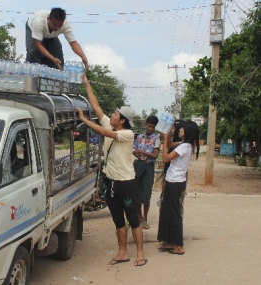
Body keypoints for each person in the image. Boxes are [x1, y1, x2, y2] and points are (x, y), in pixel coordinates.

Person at [76, 74, 147, 267]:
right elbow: (97, 107)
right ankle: (123, 252)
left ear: (122, 120)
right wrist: (87, 84)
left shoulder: (127, 133)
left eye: (115, 114)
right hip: (111, 182)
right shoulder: (111, 124)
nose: (112, 115)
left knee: (133, 218)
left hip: (126, 183)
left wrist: (83, 119)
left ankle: (140, 252)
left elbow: (105, 133)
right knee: (117, 219)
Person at [157, 121, 200, 255]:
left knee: (174, 214)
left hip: (174, 182)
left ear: (187, 132)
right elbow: (170, 145)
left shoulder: (184, 147)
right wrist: (167, 136)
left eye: (181, 129)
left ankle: (178, 245)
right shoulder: (185, 145)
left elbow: (165, 158)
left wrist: (164, 140)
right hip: (174, 181)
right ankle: (170, 241)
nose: (179, 130)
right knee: (168, 212)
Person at [133, 115, 160, 230]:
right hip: (139, 165)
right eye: (149, 126)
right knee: (137, 191)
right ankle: (138, 215)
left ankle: (145, 218)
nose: (150, 129)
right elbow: (134, 150)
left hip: (149, 166)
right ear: (145, 124)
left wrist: (141, 151)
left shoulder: (156, 138)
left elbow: (155, 155)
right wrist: (137, 153)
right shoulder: (139, 137)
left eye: (153, 127)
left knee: (147, 192)